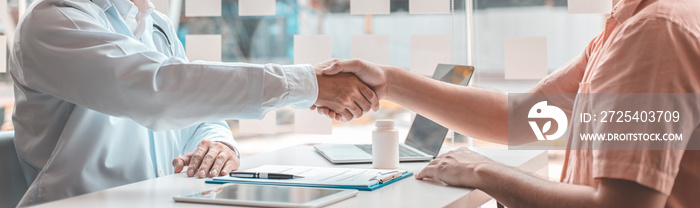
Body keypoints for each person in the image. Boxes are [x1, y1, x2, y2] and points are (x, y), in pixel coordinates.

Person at [314, 0, 700, 206]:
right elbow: (523, 119)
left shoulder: (655, 31)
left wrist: (485, 172)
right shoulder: (628, 24)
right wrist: (390, 81)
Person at [10, 0, 378, 206]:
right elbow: (159, 91)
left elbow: (195, 105)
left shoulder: (155, 24)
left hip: (163, 198)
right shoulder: (54, 19)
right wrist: (309, 84)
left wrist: (218, 141)